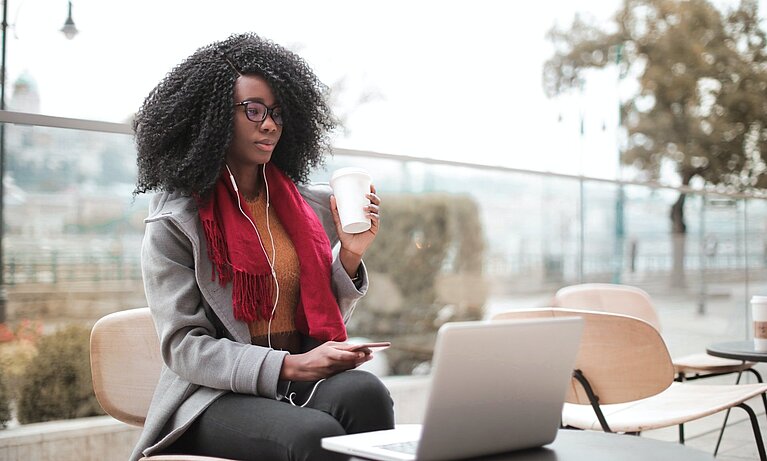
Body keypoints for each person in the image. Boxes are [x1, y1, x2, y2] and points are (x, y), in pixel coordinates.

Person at [130, 32, 394, 461]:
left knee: (367, 392)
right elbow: (184, 347)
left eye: (276, 113)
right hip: (212, 396)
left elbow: (316, 314)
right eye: (253, 110)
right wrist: (289, 366)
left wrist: (350, 253)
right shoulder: (175, 221)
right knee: (314, 435)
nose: (269, 124)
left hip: (294, 376)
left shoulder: (305, 206)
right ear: (212, 117)